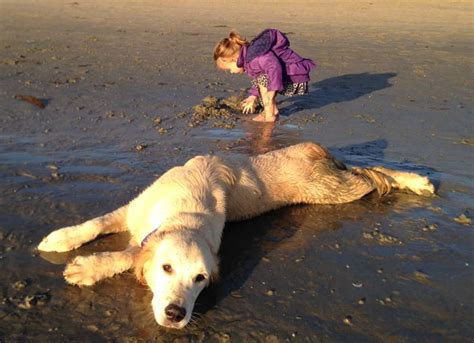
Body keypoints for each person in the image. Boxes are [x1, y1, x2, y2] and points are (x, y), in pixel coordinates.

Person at [214, 29, 316, 122]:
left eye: (230, 69)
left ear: (234, 59)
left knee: (263, 79)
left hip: (294, 77)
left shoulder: (255, 58)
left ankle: (269, 113)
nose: (231, 72)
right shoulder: (249, 59)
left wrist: (271, 93)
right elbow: (260, 76)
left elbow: (274, 66)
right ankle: (271, 110)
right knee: (261, 79)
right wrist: (253, 96)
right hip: (283, 77)